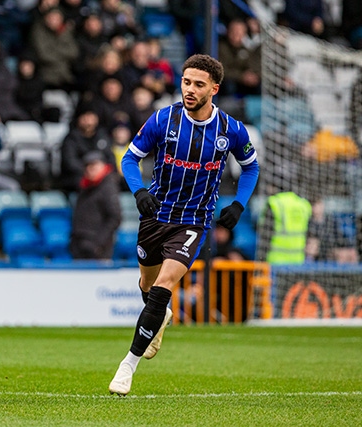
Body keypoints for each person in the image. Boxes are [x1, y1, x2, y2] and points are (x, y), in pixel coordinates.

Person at [108, 54, 259, 396]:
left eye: (199, 85)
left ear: (214, 89)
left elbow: (251, 168)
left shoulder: (231, 130)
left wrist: (238, 204)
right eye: (186, 82)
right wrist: (139, 191)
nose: (190, 90)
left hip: (193, 220)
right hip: (155, 216)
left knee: (163, 285)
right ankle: (160, 314)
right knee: (148, 287)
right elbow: (131, 158)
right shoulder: (164, 119)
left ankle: (127, 365)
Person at [69, 151, 121, 259]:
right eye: (87, 166)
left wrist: (99, 243)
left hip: (97, 248)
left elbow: (115, 217)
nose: (89, 169)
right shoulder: (86, 186)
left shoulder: (108, 187)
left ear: (103, 166)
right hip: (80, 243)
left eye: (93, 165)